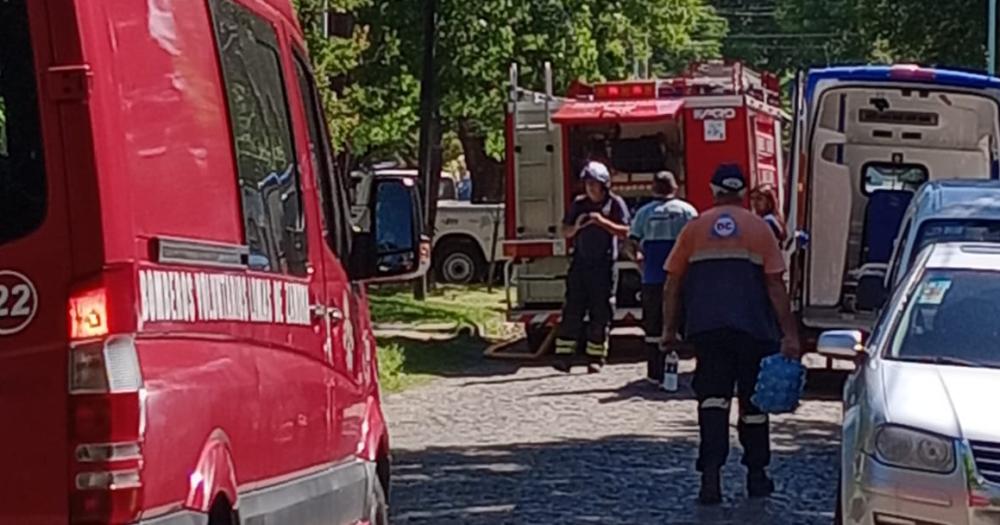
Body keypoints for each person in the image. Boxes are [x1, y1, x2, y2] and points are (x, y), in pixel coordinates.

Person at [662, 164, 801, 505]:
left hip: (708, 331)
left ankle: (711, 479)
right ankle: (756, 475)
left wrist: (668, 330)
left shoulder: (695, 228)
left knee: (712, 401)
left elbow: (673, 282)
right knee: (754, 406)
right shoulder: (760, 229)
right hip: (754, 331)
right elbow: (775, 285)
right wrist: (790, 334)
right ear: (743, 193)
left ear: (713, 190)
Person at [555, 161, 630, 373]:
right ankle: (564, 358)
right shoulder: (579, 204)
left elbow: (625, 231)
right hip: (580, 265)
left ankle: (595, 358)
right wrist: (577, 226)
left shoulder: (615, 204)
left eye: (594, 184)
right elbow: (565, 230)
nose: (589, 188)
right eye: (587, 183)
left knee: (601, 312)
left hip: (604, 266)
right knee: (572, 310)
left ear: (604, 185)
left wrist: (602, 222)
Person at [626, 171, 697, 385]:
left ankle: (655, 373)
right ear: (675, 188)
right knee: (689, 324)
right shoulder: (688, 211)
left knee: (653, 327)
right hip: (683, 277)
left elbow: (630, 243)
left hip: (653, 278)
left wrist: (639, 262)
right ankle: (698, 370)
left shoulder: (644, 213)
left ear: (653, 188)